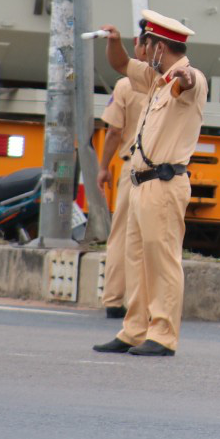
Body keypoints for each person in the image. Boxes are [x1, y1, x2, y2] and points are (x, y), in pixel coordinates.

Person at [93, 11, 207, 357]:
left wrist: (184, 75)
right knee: (137, 259)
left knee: (162, 260)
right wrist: (114, 42)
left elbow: (188, 82)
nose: (140, 49)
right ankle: (134, 328)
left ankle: (163, 333)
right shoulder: (154, 79)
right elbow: (121, 65)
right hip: (142, 182)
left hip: (165, 182)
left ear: (158, 47)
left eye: (144, 43)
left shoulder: (188, 77)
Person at [97, 28, 149, 320]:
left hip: (131, 167)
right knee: (147, 239)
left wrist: (103, 167)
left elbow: (114, 130)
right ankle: (139, 301)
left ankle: (114, 299)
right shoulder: (166, 83)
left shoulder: (125, 85)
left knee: (121, 235)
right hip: (159, 170)